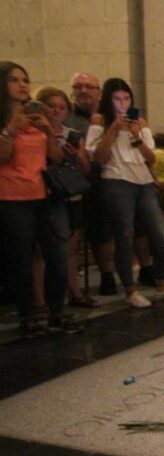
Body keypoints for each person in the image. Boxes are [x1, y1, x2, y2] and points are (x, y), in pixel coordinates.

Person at [87, 77, 164, 308]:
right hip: (115, 180)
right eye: (117, 98)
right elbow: (98, 157)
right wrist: (113, 128)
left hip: (143, 181)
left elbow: (151, 157)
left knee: (159, 234)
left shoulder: (140, 122)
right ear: (108, 100)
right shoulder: (99, 120)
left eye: (126, 98)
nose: (122, 103)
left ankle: (161, 284)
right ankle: (130, 290)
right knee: (124, 234)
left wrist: (136, 136)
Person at [0, 61, 82, 336]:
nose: (22, 84)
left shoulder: (34, 116)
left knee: (57, 254)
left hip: (44, 194)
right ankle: (28, 315)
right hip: (12, 196)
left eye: (25, 79)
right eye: (14, 79)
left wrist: (47, 131)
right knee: (21, 259)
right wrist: (11, 130)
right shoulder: (5, 120)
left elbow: (55, 158)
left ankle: (56, 312)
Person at [34, 86, 96, 309]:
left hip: (70, 192)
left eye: (61, 107)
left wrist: (78, 155)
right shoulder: (33, 131)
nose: (55, 111)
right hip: (44, 192)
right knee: (41, 251)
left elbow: (85, 169)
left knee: (71, 247)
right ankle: (40, 301)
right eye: (51, 106)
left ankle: (75, 292)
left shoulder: (72, 133)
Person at [64, 72, 118, 296]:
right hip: (79, 182)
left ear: (99, 91)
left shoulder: (111, 117)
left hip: (110, 180)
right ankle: (72, 286)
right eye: (78, 86)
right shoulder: (68, 118)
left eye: (89, 86)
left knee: (105, 232)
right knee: (75, 237)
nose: (83, 90)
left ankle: (108, 274)